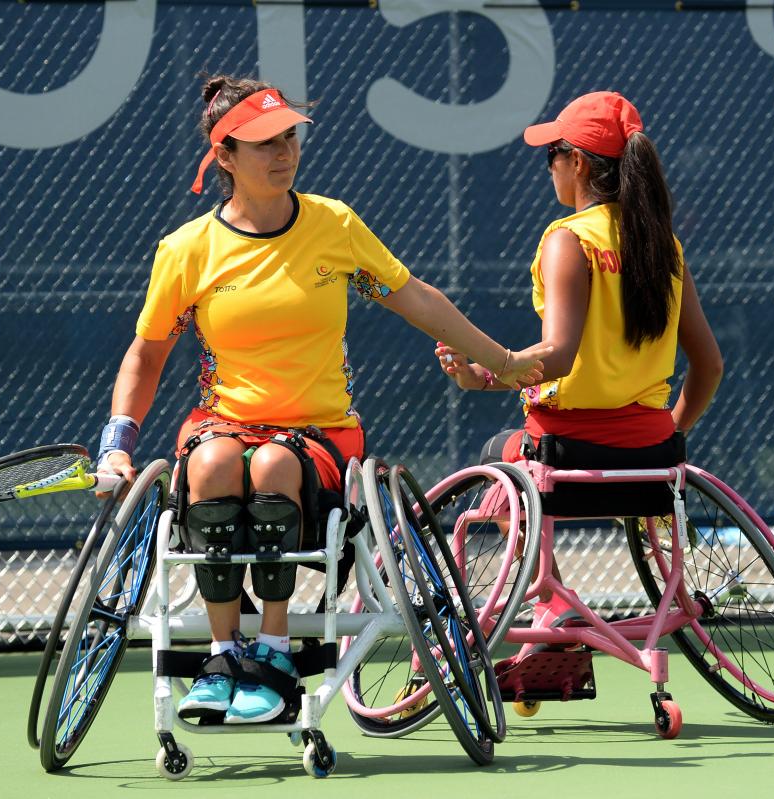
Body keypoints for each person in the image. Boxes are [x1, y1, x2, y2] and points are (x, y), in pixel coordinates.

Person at [95, 74, 550, 725]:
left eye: (289, 138)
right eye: (263, 145)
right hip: (224, 424)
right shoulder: (187, 251)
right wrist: (118, 446)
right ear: (224, 157)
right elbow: (146, 355)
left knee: (273, 466)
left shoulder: (334, 226)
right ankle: (225, 656)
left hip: (319, 435)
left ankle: (274, 654)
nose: (283, 154)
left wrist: (504, 361)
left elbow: (414, 296)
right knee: (211, 466)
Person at [436, 91, 724, 627]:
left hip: (566, 456)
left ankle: (557, 607)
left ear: (578, 163)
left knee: (499, 455)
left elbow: (559, 359)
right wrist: (667, 445)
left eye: (552, 156)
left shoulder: (568, 240)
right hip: (653, 456)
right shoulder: (666, 247)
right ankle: (560, 611)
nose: (548, 168)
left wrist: (489, 367)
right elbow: (709, 367)